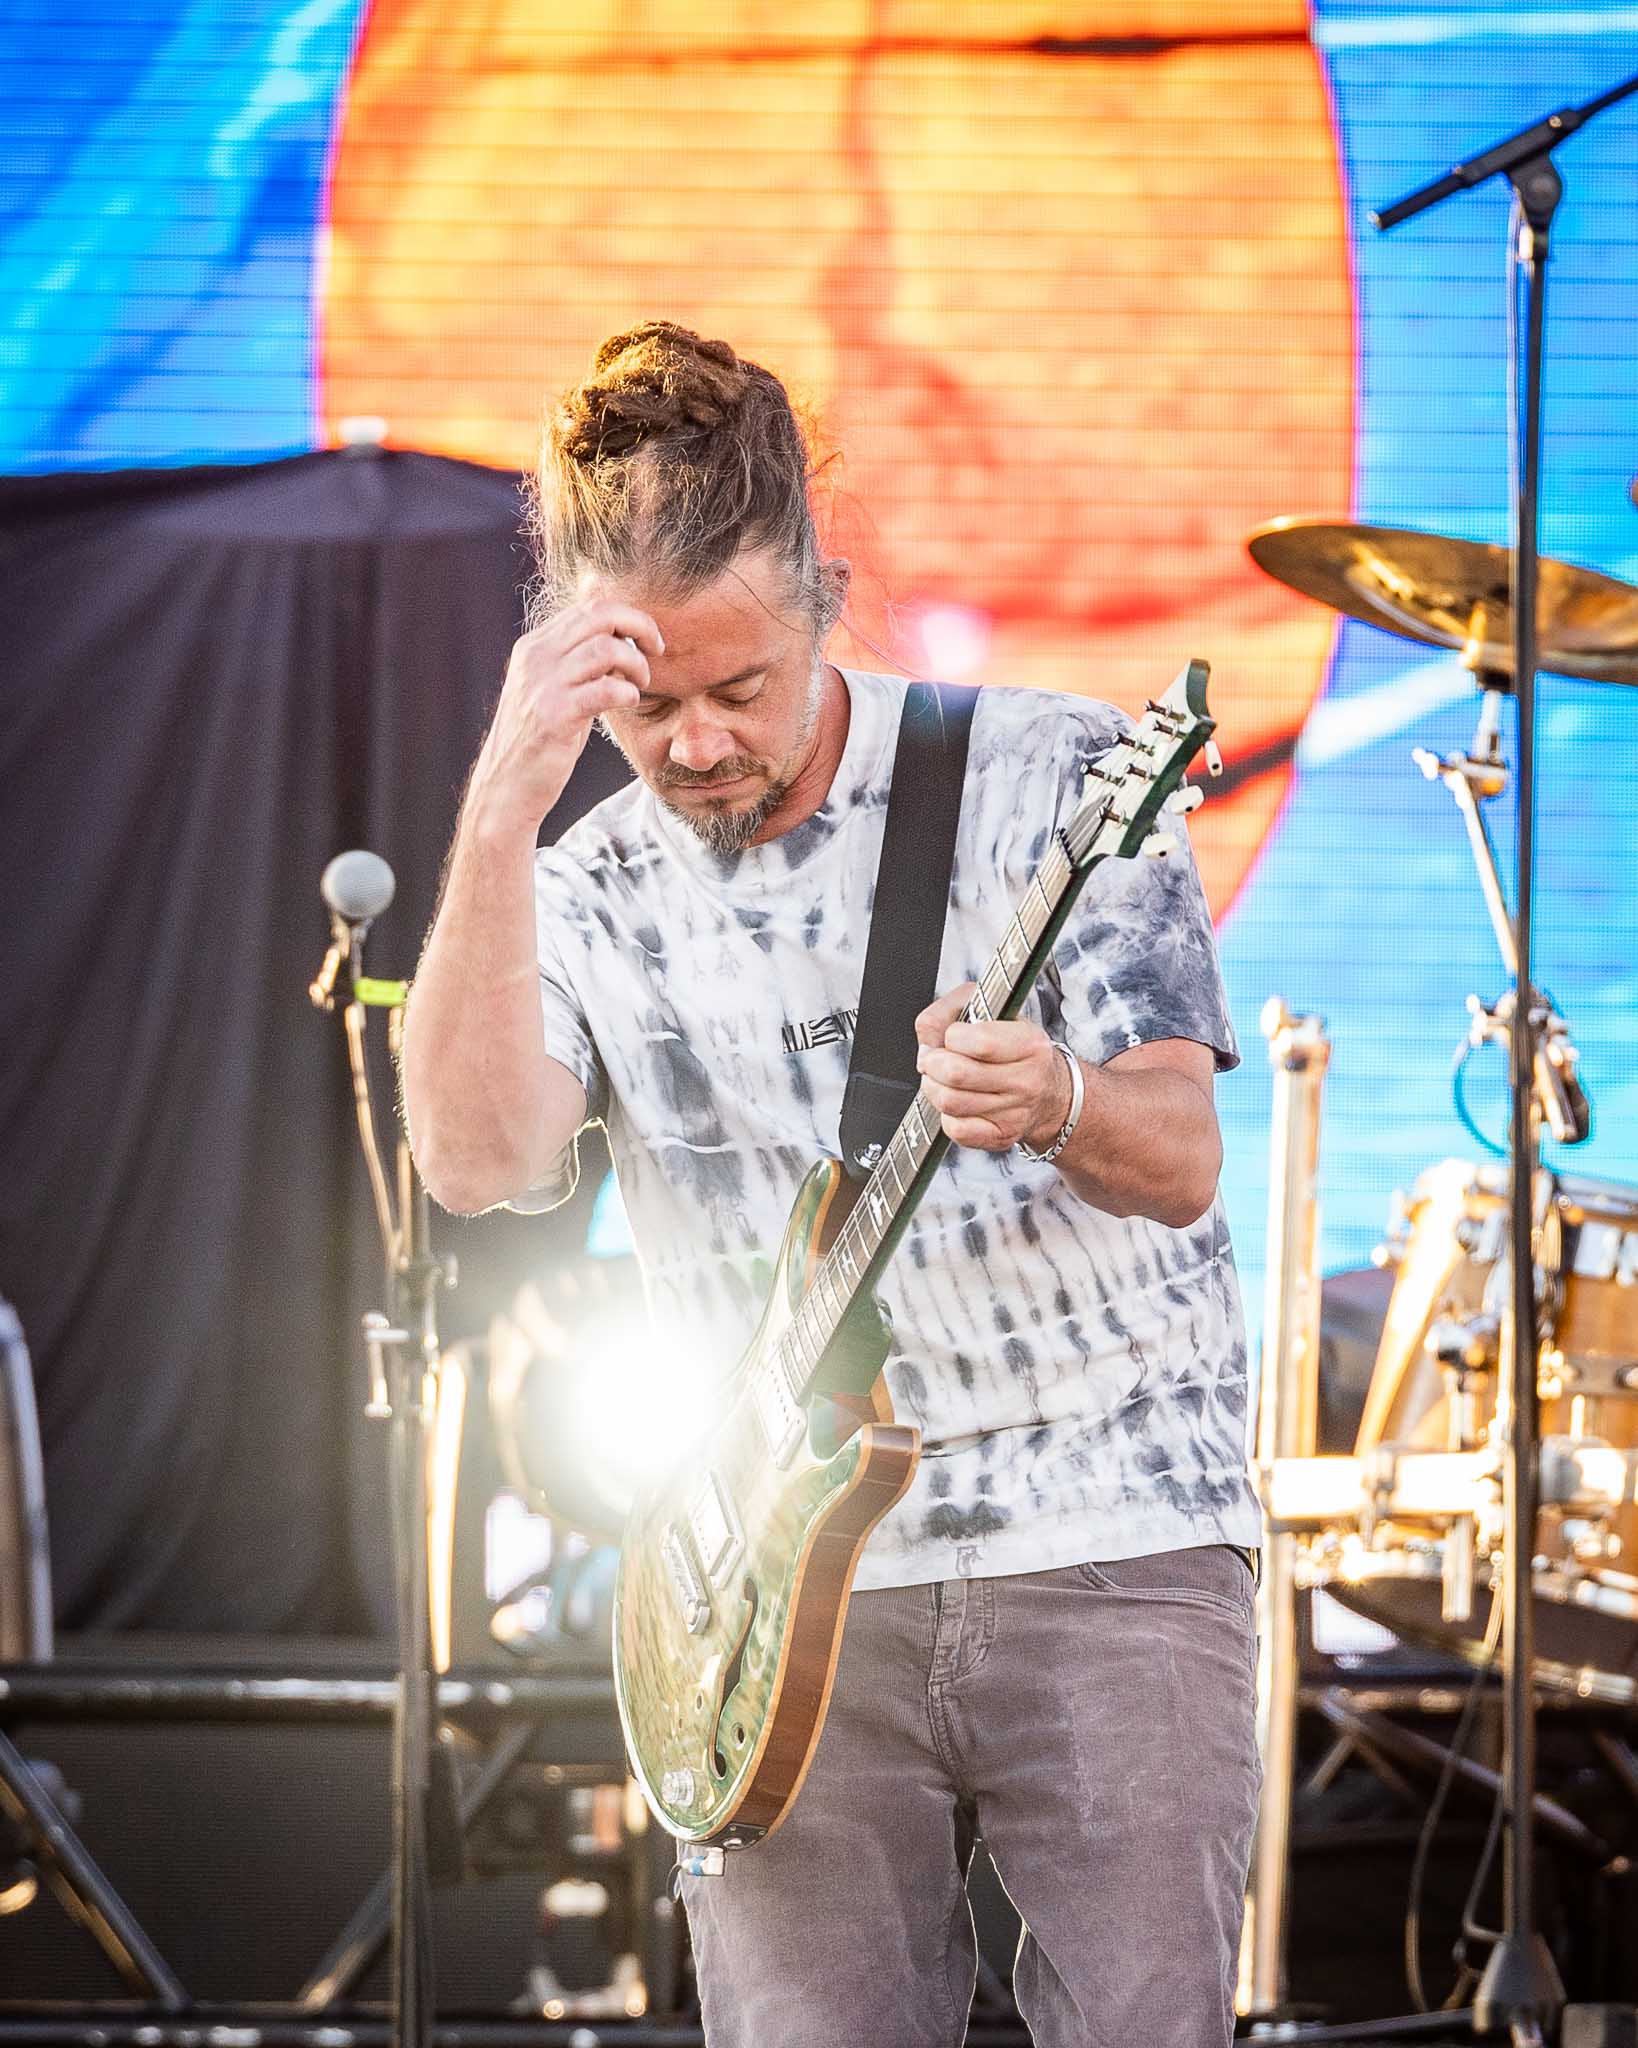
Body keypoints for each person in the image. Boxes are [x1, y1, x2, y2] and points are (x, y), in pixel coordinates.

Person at [401, 321, 1262, 2048]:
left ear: (827, 603)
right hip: (769, 1593)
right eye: (645, 707)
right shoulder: (581, 884)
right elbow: (478, 1162)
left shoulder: (1054, 776)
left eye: (740, 689)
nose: (694, 746)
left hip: (1109, 1524)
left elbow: (1178, 1160)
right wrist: (501, 805)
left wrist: (1058, 1098)